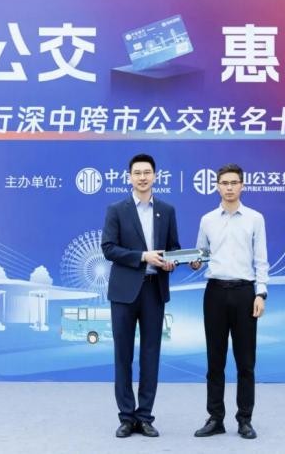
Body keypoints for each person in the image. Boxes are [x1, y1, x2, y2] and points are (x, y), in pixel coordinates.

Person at [101, 153, 180, 438]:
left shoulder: (167, 210)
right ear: (129, 177)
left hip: (153, 290)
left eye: (147, 172)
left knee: (150, 355)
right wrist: (142, 256)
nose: (143, 177)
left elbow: (173, 248)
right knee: (123, 356)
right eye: (137, 173)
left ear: (155, 176)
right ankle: (126, 417)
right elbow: (108, 248)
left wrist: (171, 262)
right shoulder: (116, 209)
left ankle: (145, 416)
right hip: (124, 292)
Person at [190, 163, 268, 440]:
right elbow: (201, 254)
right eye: (225, 183)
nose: (230, 187)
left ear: (242, 185)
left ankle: (244, 419)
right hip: (215, 293)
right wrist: (195, 261)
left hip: (245, 293)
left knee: (246, 362)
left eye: (234, 182)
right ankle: (215, 418)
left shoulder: (255, 219)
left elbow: (261, 260)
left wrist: (261, 293)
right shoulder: (207, 220)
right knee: (215, 360)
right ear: (217, 186)